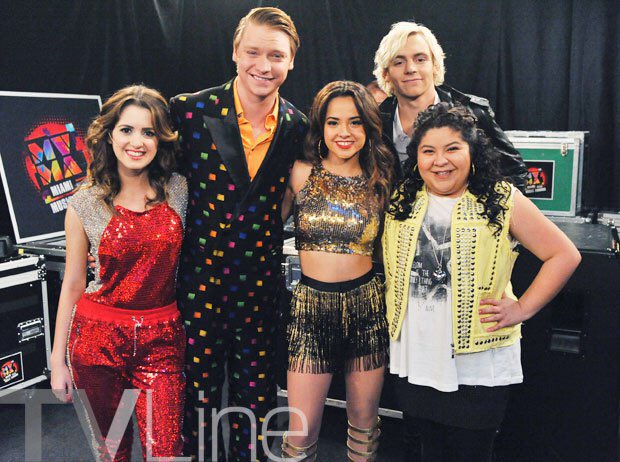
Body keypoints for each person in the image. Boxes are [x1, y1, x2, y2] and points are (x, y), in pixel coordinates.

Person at [382, 103, 581, 462]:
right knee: (427, 452)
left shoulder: (501, 199)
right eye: (428, 151)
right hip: (416, 357)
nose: (440, 161)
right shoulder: (403, 199)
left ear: (472, 150)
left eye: (452, 148)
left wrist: (523, 308)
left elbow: (564, 254)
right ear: (416, 157)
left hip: (477, 366)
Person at [169, 7, 307, 461]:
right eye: (253, 52)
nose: (263, 65)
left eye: (276, 55)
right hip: (198, 286)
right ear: (235, 52)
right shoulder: (189, 110)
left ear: (291, 61)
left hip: (260, 288)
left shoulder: (298, 126)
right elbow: (148, 176)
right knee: (198, 402)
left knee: (258, 403)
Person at [50, 85, 187, 461]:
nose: (137, 142)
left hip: (163, 341)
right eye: (127, 130)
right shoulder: (85, 201)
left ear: (160, 139)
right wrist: (57, 360)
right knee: (111, 452)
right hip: (96, 342)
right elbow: (73, 282)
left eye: (148, 132)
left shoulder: (179, 191)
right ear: (109, 135)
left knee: (166, 452)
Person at [280, 80, 396, 461]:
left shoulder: (381, 178)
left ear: (368, 126)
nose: (344, 132)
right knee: (301, 430)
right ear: (321, 126)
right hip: (310, 310)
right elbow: (262, 232)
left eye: (355, 122)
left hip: (367, 308)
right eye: (334, 122)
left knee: (364, 422)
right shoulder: (300, 173)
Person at [373, 21, 527, 190]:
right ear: (386, 73)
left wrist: (485, 204)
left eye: (420, 59)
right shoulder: (374, 122)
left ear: (435, 65)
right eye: (399, 62)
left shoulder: (473, 112)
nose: (410, 68)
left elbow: (515, 172)